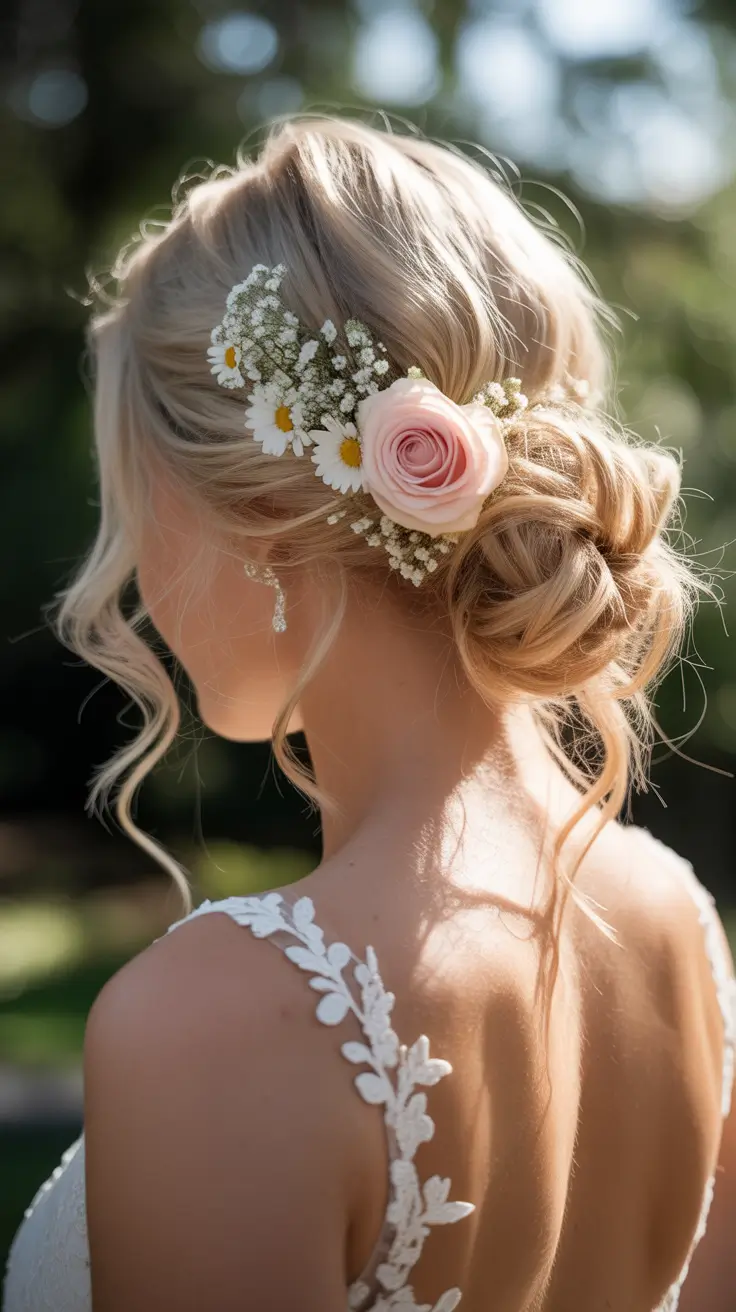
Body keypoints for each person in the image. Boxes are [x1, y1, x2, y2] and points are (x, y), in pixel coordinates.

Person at [3, 115, 735, 1312]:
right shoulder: (679, 925)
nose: (133, 570)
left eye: (140, 493)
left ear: (262, 520)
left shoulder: (212, 1026)